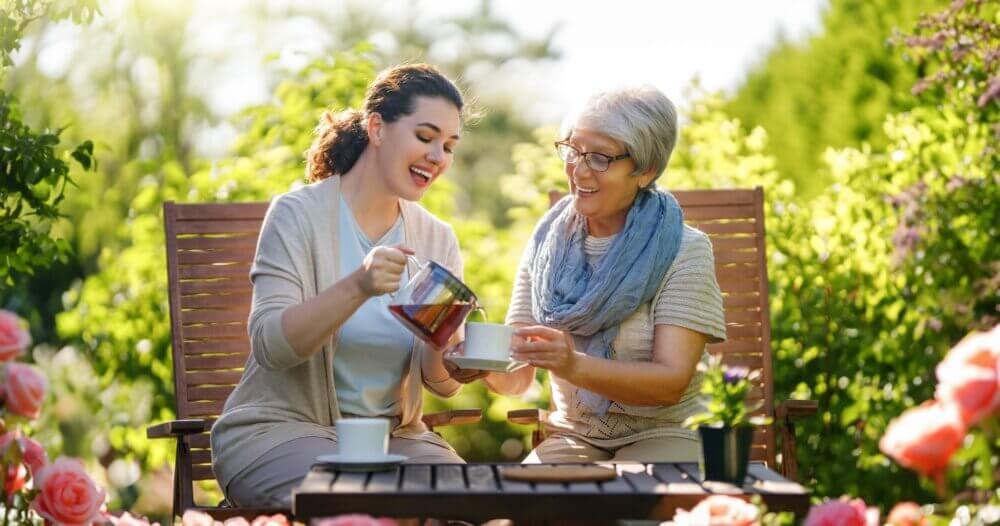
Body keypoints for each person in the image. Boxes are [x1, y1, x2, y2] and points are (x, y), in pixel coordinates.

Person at [211, 64, 478, 507]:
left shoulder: (437, 238)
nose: (438, 157)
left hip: (393, 441)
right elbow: (270, 345)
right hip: (282, 432)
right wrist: (358, 285)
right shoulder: (297, 215)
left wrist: (452, 354)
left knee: (478, 504)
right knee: (369, 504)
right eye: (425, 137)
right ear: (377, 128)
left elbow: (440, 382)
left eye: (449, 146)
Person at [483, 86, 727, 463]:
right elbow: (515, 378)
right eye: (573, 150)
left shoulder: (684, 249)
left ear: (645, 170)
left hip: (669, 433)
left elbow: (670, 384)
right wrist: (473, 359)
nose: (578, 170)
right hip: (575, 436)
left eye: (599, 157)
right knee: (527, 506)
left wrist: (572, 365)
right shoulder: (548, 242)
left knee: (633, 512)